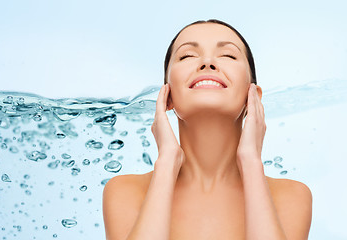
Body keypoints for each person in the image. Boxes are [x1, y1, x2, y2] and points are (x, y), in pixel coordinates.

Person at [102, 19, 312, 240]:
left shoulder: (292, 196)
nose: (208, 62)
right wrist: (166, 162)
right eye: (187, 56)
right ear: (167, 95)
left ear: (253, 97)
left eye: (228, 55)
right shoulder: (125, 192)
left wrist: (251, 161)